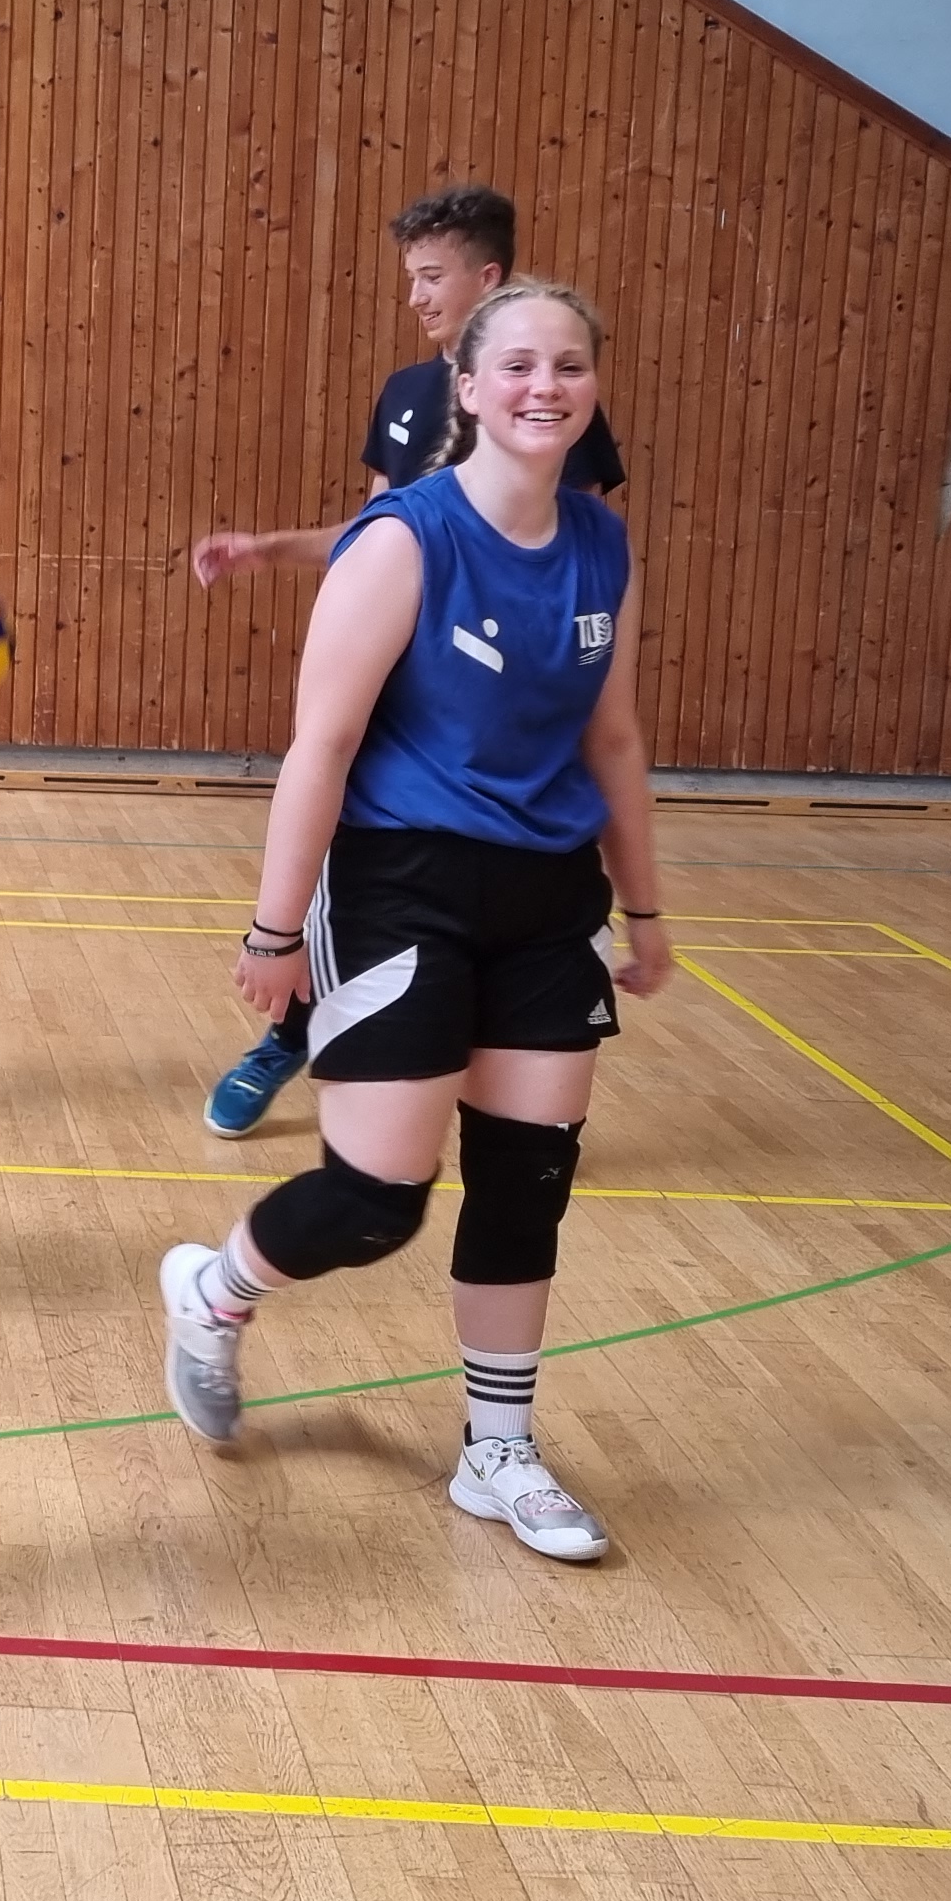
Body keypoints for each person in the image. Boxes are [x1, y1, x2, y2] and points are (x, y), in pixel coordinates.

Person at [155, 276, 668, 1564]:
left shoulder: (603, 546)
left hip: (549, 895)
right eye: (520, 366)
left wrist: (646, 907)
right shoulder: (404, 541)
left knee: (527, 1183)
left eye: (570, 366)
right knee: (379, 1199)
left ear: (593, 388)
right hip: (404, 883)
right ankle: (216, 1291)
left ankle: (500, 1450)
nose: (546, 386)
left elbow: (612, 737)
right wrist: (276, 932)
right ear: (472, 390)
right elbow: (321, 745)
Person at [186, 183, 625, 1139]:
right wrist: (271, 548)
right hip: (399, 683)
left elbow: (563, 563)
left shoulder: (551, 409)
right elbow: (373, 530)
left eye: (432, 276)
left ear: (487, 278)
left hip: (493, 702)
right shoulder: (405, 394)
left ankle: (478, 1077)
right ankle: (295, 1032)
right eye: (411, 277)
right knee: (348, 855)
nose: (417, 295)